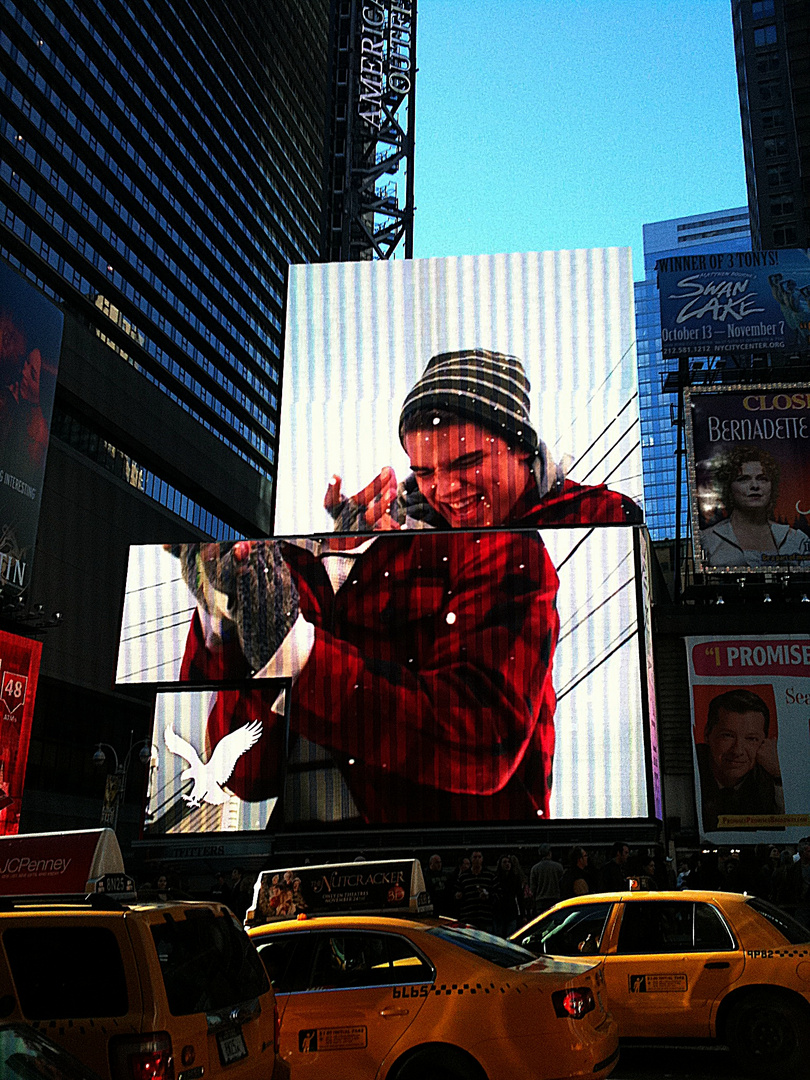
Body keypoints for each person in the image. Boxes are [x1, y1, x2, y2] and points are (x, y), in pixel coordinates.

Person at [174, 350, 641, 825]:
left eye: (467, 462)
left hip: (472, 856)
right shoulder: (381, 546)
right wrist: (228, 616)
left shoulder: (529, 546)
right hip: (322, 856)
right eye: (425, 472)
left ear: (521, 445)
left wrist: (301, 655)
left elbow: (482, 738)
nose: (446, 488)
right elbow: (248, 773)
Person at [699, 446, 810, 568]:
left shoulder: (795, 539)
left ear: (772, 486)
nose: (755, 486)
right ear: (728, 488)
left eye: (762, 479)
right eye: (743, 479)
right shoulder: (708, 540)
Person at [697, 689, 784, 832]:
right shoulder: (691, 768)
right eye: (728, 735)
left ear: (764, 742)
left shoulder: (771, 774)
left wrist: (778, 776)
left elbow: (788, 826)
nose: (737, 751)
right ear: (707, 734)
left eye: (751, 739)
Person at [455, 850, 496, 932]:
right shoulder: (463, 877)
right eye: (475, 857)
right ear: (471, 859)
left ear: (482, 859)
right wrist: (458, 895)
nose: (477, 859)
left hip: (485, 918)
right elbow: (455, 893)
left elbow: (498, 894)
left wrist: (488, 896)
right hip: (468, 918)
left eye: (479, 857)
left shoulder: (490, 876)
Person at [491, 853, 524, 938]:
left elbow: (520, 897)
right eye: (505, 862)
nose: (507, 864)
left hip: (509, 911)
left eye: (508, 862)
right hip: (500, 911)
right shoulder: (497, 879)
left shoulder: (514, 879)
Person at [529, 844, 564, 915]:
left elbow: (533, 888)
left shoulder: (535, 868)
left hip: (540, 901)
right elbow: (562, 884)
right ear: (550, 853)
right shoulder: (558, 867)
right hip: (555, 899)